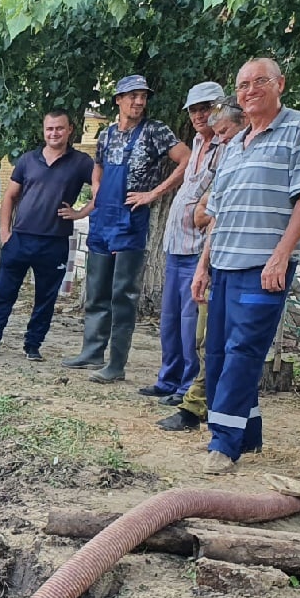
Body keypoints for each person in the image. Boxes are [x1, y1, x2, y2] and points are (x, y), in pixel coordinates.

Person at [192, 58, 300, 474]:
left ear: (280, 84)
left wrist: (282, 254)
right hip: (226, 262)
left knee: (242, 351)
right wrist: (204, 266)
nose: (249, 90)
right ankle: (246, 434)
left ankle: (224, 442)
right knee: (216, 352)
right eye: (243, 84)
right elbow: (219, 212)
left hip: (264, 264)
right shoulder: (233, 145)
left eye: (259, 82)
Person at [63, 75, 191, 382]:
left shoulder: (156, 131)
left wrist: (154, 193)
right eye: (132, 96)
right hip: (103, 219)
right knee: (96, 290)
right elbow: (99, 165)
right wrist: (96, 187)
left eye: (143, 96)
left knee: (123, 294)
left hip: (131, 220)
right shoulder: (107, 134)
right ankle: (92, 351)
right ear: (118, 100)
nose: (138, 102)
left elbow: (187, 158)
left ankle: (116, 364)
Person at [0, 109, 95, 360]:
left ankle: (33, 346)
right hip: (19, 239)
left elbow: (102, 191)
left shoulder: (81, 162)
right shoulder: (28, 160)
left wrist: (80, 213)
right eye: (49, 128)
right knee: (3, 293)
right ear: (44, 130)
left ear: (69, 130)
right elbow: (10, 196)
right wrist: (6, 233)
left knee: (46, 297)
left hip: (55, 241)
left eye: (59, 128)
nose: (54, 133)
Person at [140, 81, 228, 402]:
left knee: (191, 323)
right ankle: (168, 377)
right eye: (193, 110)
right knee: (170, 319)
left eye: (206, 108)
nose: (199, 115)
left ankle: (187, 385)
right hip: (175, 245)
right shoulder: (195, 143)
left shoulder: (226, 147)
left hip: (198, 249)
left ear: (220, 108)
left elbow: (216, 202)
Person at [159, 102, 244, 432]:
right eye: (219, 133)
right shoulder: (224, 157)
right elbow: (206, 214)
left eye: (225, 132)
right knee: (205, 338)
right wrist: (204, 265)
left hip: (247, 264)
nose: (221, 139)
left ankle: (198, 407)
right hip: (216, 258)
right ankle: (198, 405)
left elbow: (210, 213)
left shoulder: (238, 158)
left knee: (219, 341)